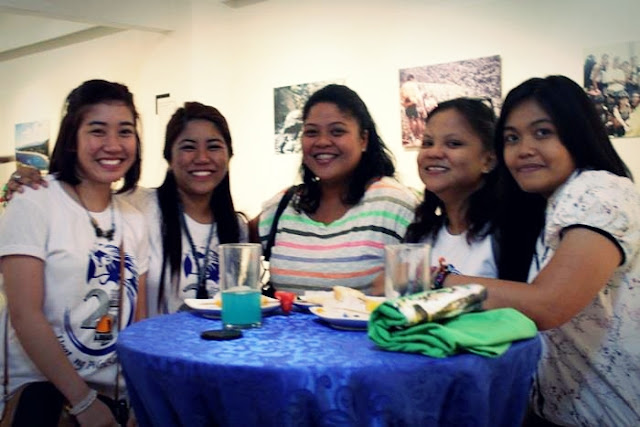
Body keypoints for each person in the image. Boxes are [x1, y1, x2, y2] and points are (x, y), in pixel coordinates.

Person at [445, 75, 640, 425]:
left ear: (578, 133)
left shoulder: (600, 190)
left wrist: (444, 283)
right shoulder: (552, 207)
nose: (523, 149)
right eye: (512, 138)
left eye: (542, 132)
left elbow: (549, 304)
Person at [3, 102, 248, 317]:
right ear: (169, 157)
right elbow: (83, 196)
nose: (202, 157)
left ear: (229, 155)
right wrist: (28, 180)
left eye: (214, 147)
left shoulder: (236, 228)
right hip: (152, 352)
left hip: (218, 352)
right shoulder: (137, 206)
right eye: (188, 147)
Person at [0, 79, 150, 425]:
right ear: (72, 138)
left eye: (125, 131)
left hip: (112, 398)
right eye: (97, 130)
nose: (113, 144)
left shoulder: (134, 219)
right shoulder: (34, 201)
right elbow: (25, 314)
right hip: (42, 398)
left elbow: (136, 323)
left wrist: (136, 395)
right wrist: (83, 402)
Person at [251, 84, 417, 295]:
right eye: (311, 132)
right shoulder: (285, 204)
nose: (322, 142)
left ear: (363, 140)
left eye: (337, 131)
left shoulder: (395, 203)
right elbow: (231, 242)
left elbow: (429, 280)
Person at [403, 98, 498, 277]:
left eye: (453, 143)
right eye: (428, 143)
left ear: (488, 160)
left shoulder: (509, 233)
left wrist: (436, 280)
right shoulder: (420, 234)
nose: (433, 153)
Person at [400, 74, 425, 146]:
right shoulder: (413, 85)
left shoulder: (403, 86)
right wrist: (422, 106)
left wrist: (405, 104)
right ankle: (419, 135)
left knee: (411, 120)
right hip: (414, 103)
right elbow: (418, 96)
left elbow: (401, 98)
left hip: (407, 104)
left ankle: (414, 136)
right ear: (412, 79)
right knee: (417, 119)